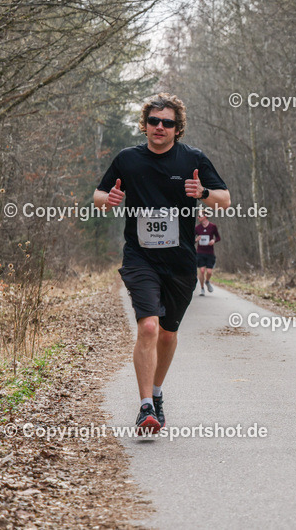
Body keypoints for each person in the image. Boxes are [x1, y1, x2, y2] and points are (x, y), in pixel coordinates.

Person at [94, 93, 230, 434]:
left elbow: (225, 200)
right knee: (149, 328)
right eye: (154, 121)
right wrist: (107, 200)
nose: (160, 127)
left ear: (177, 128)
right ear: (145, 124)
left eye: (167, 122)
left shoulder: (193, 159)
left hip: (181, 262)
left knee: (168, 335)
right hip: (140, 257)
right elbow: (98, 197)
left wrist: (202, 193)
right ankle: (144, 408)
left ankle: (156, 395)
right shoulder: (127, 159)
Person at [195, 212, 221, 295]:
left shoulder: (212, 227)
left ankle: (207, 281)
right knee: (202, 271)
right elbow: (191, 240)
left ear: (205, 216)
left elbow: (218, 237)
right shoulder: (197, 228)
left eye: (200, 216)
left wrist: (214, 240)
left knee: (209, 272)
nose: (198, 217)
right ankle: (202, 288)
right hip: (200, 252)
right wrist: (196, 240)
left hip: (209, 252)